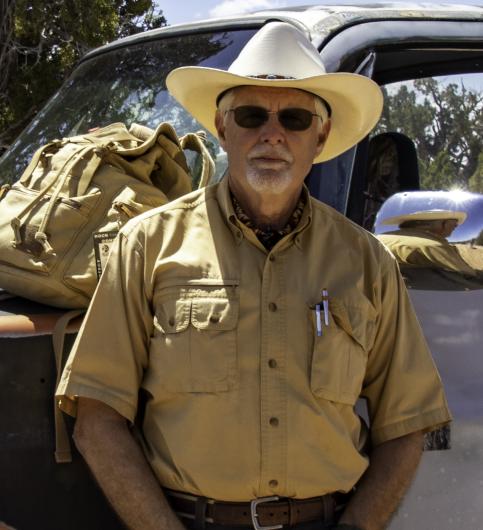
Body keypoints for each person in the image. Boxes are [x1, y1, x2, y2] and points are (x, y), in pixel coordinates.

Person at [56, 22, 451, 530]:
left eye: (294, 117)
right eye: (251, 115)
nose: (272, 134)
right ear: (223, 128)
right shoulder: (147, 245)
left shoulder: (367, 263)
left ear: (322, 135)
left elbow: (406, 427)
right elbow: (96, 420)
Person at [377, 209, 477, 276]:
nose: (455, 226)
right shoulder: (433, 246)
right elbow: (467, 275)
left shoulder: (379, 237)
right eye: (453, 223)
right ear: (441, 224)